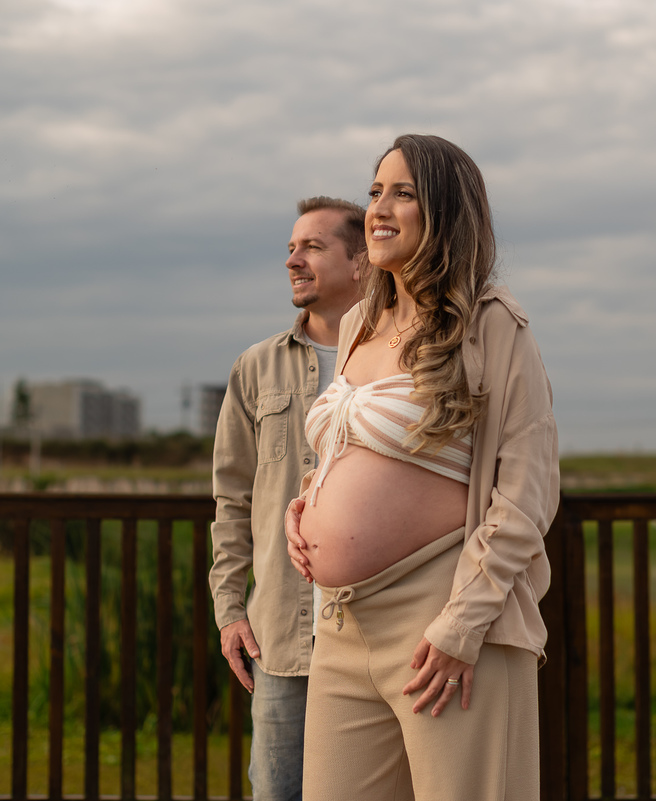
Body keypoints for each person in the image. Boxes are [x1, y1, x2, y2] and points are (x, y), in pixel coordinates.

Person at [284, 135, 560, 800]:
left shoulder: (493, 326)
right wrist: (306, 504)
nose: (378, 206)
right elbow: (351, 445)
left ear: (445, 210)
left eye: (402, 192)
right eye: (375, 190)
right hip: (344, 626)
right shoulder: (358, 325)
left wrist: (461, 624)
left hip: (443, 619)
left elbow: (528, 490)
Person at [210, 196, 366, 801]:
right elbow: (232, 500)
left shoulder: (402, 362)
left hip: (382, 628)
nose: (292, 260)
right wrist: (229, 608)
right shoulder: (255, 368)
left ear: (361, 263)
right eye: (290, 248)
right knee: (279, 792)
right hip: (281, 633)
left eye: (311, 247)